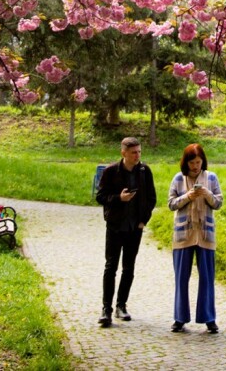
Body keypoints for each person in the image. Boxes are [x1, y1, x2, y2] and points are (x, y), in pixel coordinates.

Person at [95, 136, 155, 327]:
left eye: (139, 152)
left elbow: (151, 198)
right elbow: (100, 196)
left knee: (129, 267)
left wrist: (143, 220)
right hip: (115, 226)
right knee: (111, 266)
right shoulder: (111, 171)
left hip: (134, 227)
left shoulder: (145, 171)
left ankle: (122, 305)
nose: (137, 155)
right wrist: (118, 198)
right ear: (123, 153)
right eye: (133, 152)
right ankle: (106, 309)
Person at [168, 142, 224, 333]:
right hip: (183, 234)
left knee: (207, 278)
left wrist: (206, 193)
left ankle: (209, 318)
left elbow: (218, 203)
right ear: (186, 163)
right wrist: (188, 197)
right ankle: (179, 317)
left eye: (198, 162)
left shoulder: (211, 178)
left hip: (206, 234)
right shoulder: (178, 179)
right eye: (192, 163)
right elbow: (171, 204)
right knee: (181, 277)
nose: (195, 166)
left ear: (203, 161)